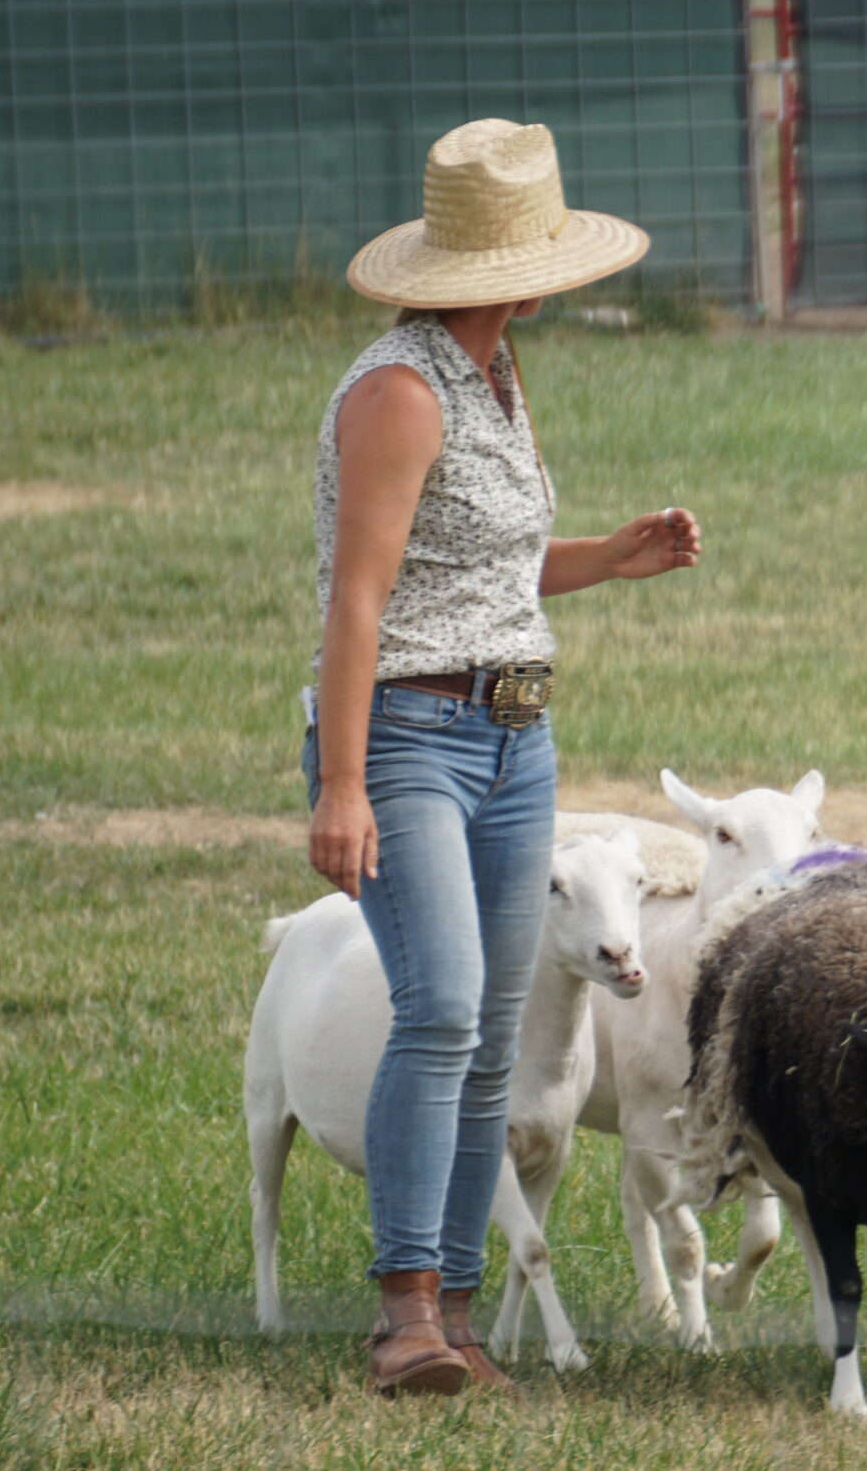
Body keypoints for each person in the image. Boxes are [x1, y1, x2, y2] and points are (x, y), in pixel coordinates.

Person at [306, 118, 699, 1397]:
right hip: (411, 735)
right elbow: (359, 601)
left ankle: (458, 1320)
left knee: (483, 1033)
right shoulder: (400, 393)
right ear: (510, 272)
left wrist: (609, 558)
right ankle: (404, 1313)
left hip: (515, 735)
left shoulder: (496, 375)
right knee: (441, 1011)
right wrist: (345, 783)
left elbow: (487, 570)